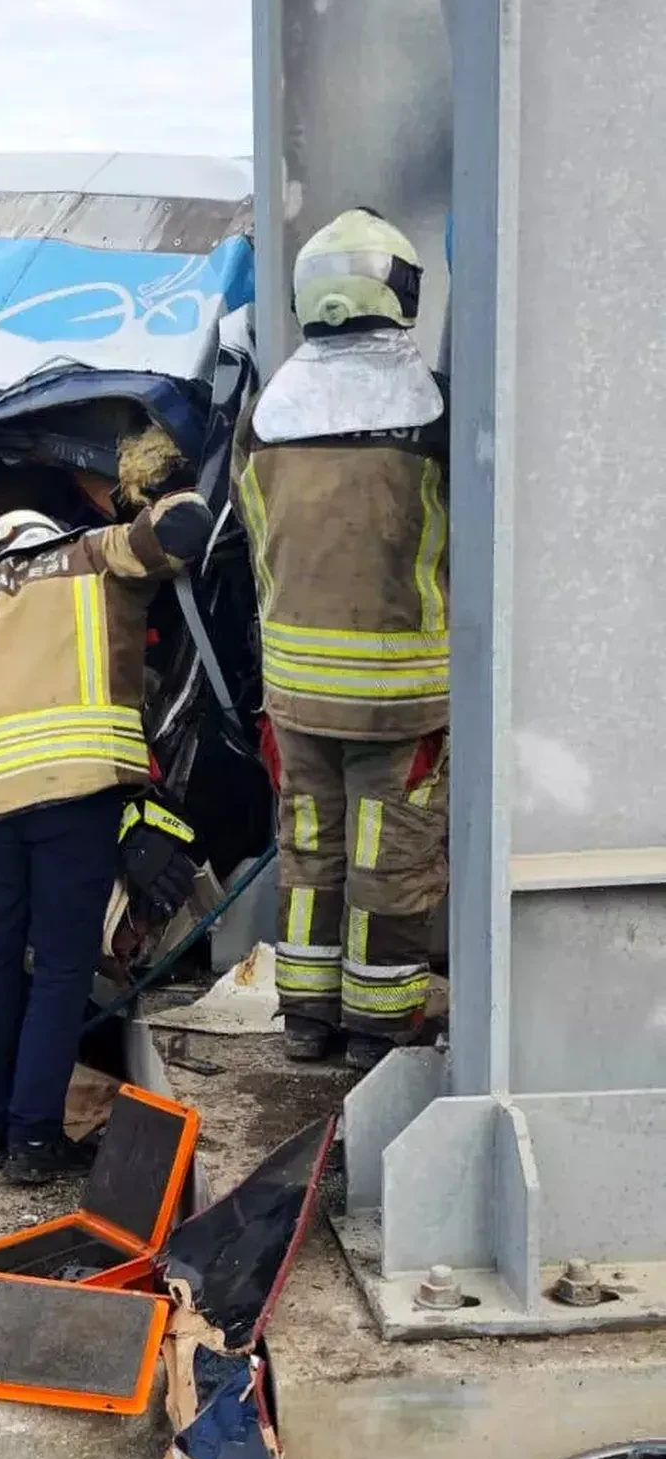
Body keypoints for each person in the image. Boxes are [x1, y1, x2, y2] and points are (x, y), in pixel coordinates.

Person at [0, 478, 212, 1185]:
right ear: (46, 527)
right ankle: (35, 1141)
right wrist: (164, 487)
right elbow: (183, 529)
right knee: (59, 969)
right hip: (75, 798)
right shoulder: (92, 554)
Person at [232, 206, 450, 1072]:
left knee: (311, 850)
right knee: (387, 862)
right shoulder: (428, 420)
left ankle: (307, 1018)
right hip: (401, 700)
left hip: (295, 695)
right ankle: (377, 1026)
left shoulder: (269, 419)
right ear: (396, 291)